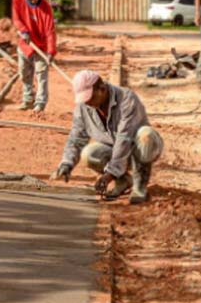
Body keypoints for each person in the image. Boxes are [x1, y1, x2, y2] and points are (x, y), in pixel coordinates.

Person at [51, 70, 163, 205]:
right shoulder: (84, 107)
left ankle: (140, 187)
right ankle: (123, 181)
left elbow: (125, 139)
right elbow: (77, 138)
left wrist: (109, 175)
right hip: (114, 149)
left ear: (102, 89)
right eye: (84, 99)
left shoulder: (127, 99)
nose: (87, 103)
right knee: (89, 154)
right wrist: (66, 163)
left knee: (146, 136)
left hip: (138, 147)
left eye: (90, 98)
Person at [11, 0, 57, 112]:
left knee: (41, 74)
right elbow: (16, 18)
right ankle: (27, 99)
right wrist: (23, 30)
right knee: (24, 72)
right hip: (24, 44)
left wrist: (51, 52)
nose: (34, 1)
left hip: (41, 46)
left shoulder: (46, 8)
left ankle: (40, 104)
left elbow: (50, 31)